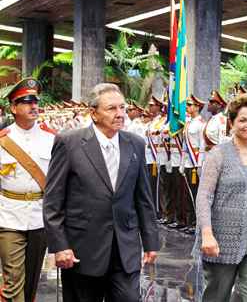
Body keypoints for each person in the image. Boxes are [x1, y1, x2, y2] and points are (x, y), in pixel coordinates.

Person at [43, 83, 159, 302]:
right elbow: (53, 200)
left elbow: (143, 198)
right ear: (93, 113)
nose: (120, 114)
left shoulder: (135, 144)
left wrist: (151, 240)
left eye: (122, 108)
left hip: (125, 249)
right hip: (82, 250)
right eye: (112, 108)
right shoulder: (70, 143)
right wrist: (60, 246)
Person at [195, 93, 247, 302]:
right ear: (231, 122)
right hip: (223, 241)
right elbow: (204, 196)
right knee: (216, 297)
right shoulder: (219, 154)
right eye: (242, 120)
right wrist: (207, 234)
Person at [0, 78, 55, 302]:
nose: (34, 106)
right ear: (13, 107)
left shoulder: (52, 138)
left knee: (31, 281)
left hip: (40, 217)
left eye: (35, 101)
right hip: (8, 217)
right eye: (26, 101)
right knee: (13, 280)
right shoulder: (3, 140)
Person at [179, 94, 206, 234]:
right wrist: (182, 163)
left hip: (196, 162)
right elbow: (184, 145)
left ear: (197, 107)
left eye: (190, 105)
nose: (188, 107)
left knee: (196, 194)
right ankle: (190, 222)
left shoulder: (202, 124)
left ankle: (197, 223)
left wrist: (200, 163)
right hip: (189, 162)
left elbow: (202, 145)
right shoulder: (189, 123)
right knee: (188, 194)